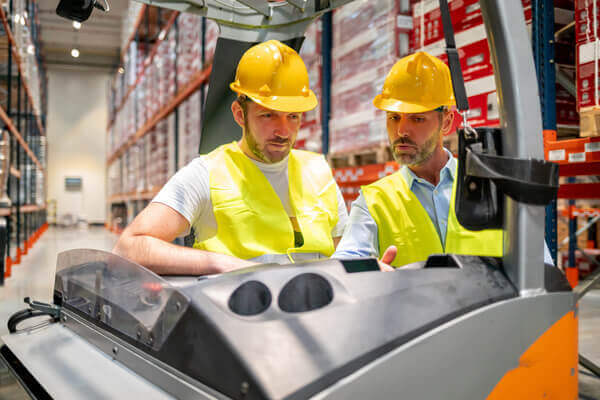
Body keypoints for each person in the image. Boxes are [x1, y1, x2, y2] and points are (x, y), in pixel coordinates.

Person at [114, 40, 348, 275]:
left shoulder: (319, 171)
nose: (283, 131)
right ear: (239, 114)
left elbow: (346, 256)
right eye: (268, 115)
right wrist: (221, 263)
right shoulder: (207, 173)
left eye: (293, 117)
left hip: (319, 308)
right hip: (237, 308)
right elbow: (129, 247)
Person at [333, 51, 552, 269]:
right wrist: (369, 271)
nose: (401, 130)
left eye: (417, 119)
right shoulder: (373, 202)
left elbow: (540, 269)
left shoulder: (495, 189)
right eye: (394, 118)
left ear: (446, 122)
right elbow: (344, 264)